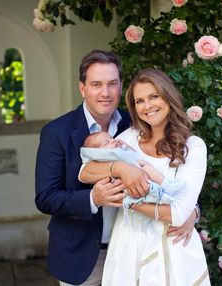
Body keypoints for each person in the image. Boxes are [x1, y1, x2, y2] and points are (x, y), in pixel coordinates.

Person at [35, 50, 197, 286]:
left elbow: (170, 170)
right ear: (82, 88)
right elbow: (46, 197)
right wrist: (93, 197)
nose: (105, 92)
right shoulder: (56, 132)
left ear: (121, 87)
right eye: (96, 84)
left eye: (112, 83)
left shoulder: (137, 123)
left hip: (135, 249)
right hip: (81, 256)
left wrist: (193, 211)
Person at [80, 68, 211, 285]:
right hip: (128, 242)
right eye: (139, 101)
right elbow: (84, 172)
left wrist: (127, 203)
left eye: (153, 96)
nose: (147, 106)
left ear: (168, 97)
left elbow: (178, 214)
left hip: (173, 244)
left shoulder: (193, 147)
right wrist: (120, 168)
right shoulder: (129, 138)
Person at [80, 131, 186, 213]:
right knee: (144, 178)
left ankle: (166, 186)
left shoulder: (120, 145)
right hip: (125, 186)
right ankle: (161, 194)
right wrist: (119, 168)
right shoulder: (105, 157)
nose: (113, 140)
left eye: (111, 138)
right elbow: (83, 173)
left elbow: (132, 154)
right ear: (97, 152)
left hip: (139, 174)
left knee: (146, 169)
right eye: (107, 142)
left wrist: (126, 145)